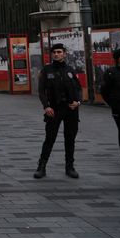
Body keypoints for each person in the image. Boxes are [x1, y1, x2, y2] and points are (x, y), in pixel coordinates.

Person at [33, 43, 82, 179]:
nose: (56, 54)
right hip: (54, 109)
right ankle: (41, 167)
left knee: (70, 139)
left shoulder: (70, 70)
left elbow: (78, 88)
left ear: (64, 53)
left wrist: (77, 102)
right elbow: (41, 91)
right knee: (50, 139)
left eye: (59, 52)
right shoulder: (46, 70)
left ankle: (70, 167)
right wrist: (46, 106)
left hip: (71, 109)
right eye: (54, 52)